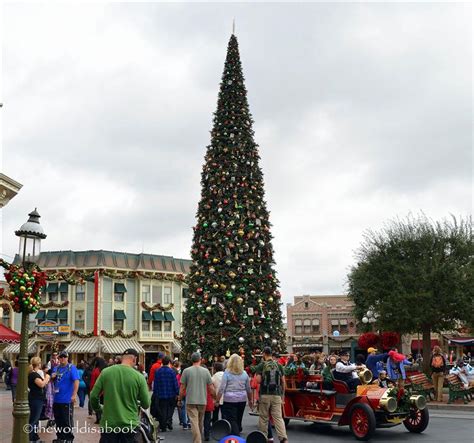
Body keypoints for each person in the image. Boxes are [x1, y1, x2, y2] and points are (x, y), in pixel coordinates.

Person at [90, 348, 150, 442]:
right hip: (129, 424)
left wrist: (99, 408)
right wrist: (137, 402)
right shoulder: (139, 377)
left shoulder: (106, 372)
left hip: (109, 424)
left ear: (122, 358)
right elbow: (146, 403)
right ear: (134, 359)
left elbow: (93, 396)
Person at [178, 352, 216, 443]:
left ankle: (197, 440)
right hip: (202, 400)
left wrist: (180, 398)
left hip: (191, 400)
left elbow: (182, 388)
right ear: (200, 359)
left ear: (191, 360)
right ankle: (198, 439)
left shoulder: (186, 371)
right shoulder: (206, 371)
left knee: (194, 422)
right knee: (199, 421)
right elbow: (211, 387)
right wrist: (214, 397)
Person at [255, 346, 288, 443]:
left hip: (265, 394)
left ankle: (263, 437)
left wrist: (257, 375)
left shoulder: (261, 365)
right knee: (278, 418)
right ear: (271, 354)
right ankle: (283, 438)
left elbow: (258, 381)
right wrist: (282, 396)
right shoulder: (279, 365)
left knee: (264, 418)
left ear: (264, 354)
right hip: (276, 395)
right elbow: (283, 382)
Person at [217, 354, 252, 436]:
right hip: (242, 399)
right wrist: (250, 400)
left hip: (229, 399)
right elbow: (248, 388)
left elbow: (222, 388)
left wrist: (217, 399)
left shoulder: (227, 373)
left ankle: (235, 435)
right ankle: (237, 430)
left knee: (231, 419)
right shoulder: (244, 373)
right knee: (238, 418)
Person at [51, 351, 80, 442]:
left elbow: (76, 381)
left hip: (66, 399)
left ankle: (68, 438)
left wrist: (74, 395)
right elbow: (52, 381)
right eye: (61, 357)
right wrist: (52, 377)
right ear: (58, 358)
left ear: (67, 358)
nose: (63, 359)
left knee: (66, 421)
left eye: (65, 357)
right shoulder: (56, 368)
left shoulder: (72, 368)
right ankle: (60, 437)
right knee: (58, 420)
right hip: (56, 399)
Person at [153, 355, 179, 432]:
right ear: (169, 362)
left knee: (162, 409)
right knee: (170, 409)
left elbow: (156, 383)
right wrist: (177, 393)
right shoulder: (172, 372)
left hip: (161, 394)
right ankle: (168, 421)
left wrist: (155, 393)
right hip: (171, 394)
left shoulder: (158, 371)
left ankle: (163, 425)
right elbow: (175, 383)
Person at [28, 356, 51, 442]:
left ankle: (34, 437)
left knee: (35, 419)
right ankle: (30, 438)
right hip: (36, 399)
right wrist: (47, 378)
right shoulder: (33, 374)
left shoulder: (33, 373)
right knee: (34, 419)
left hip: (37, 398)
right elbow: (41, 384)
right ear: (38, 364)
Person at [90, 357, 107, 424]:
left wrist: (91, 390)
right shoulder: (106, 370)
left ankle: (99, 418)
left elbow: (93, 381)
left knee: (98, 405)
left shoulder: (96, 370)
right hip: (106, 390)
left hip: (98, 390)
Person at [177, 363, 191, 430]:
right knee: (189, 408)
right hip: (189, 393)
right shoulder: (189, 376)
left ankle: (184, 424)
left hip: (182, 393)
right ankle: (189, 422)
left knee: (183, 409)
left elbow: (178, 386)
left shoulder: (178, 376)